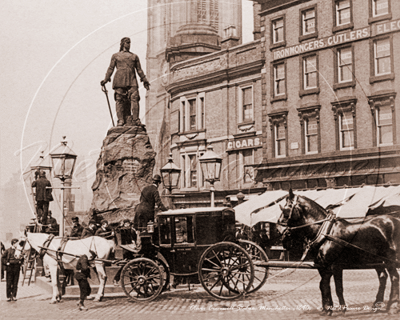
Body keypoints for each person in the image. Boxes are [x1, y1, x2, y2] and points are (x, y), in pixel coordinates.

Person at [100, 37, 150, 126]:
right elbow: (111, 68)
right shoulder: (116, 56)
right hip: (119, 80)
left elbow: (139, 70)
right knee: (119, 100)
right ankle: (120, 120)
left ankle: (136, 119)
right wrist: (106, 79)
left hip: (132, 80)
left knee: (135, 98)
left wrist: (144, 80)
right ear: (123, 44)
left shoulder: (134, 56)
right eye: (127, 42)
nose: (129, 44)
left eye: (129, 42)